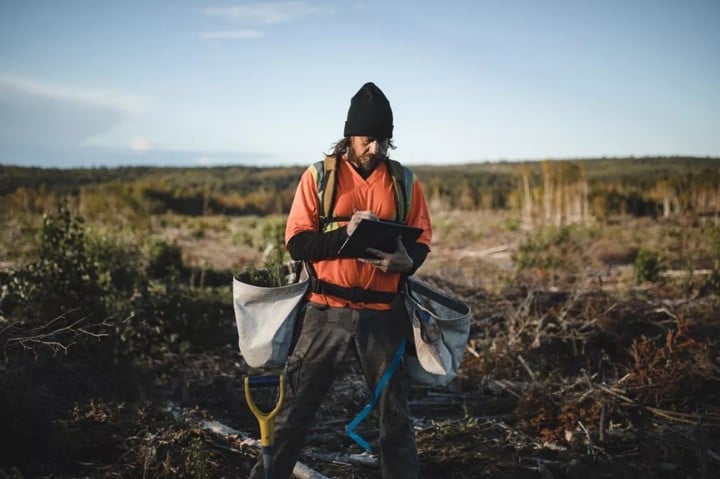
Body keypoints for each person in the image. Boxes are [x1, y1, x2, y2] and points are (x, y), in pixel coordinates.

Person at [249, 82, 432, 479]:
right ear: (350, 135)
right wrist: (348, 237)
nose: (376, 148)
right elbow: (297, 243)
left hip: (384, 315)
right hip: (326, 310)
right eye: (368, 139)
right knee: (292, 413)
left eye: (384, 140)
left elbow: (421, 240)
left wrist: (406, 261)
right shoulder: (318, 177)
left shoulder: (405, 182)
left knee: (395, 419)